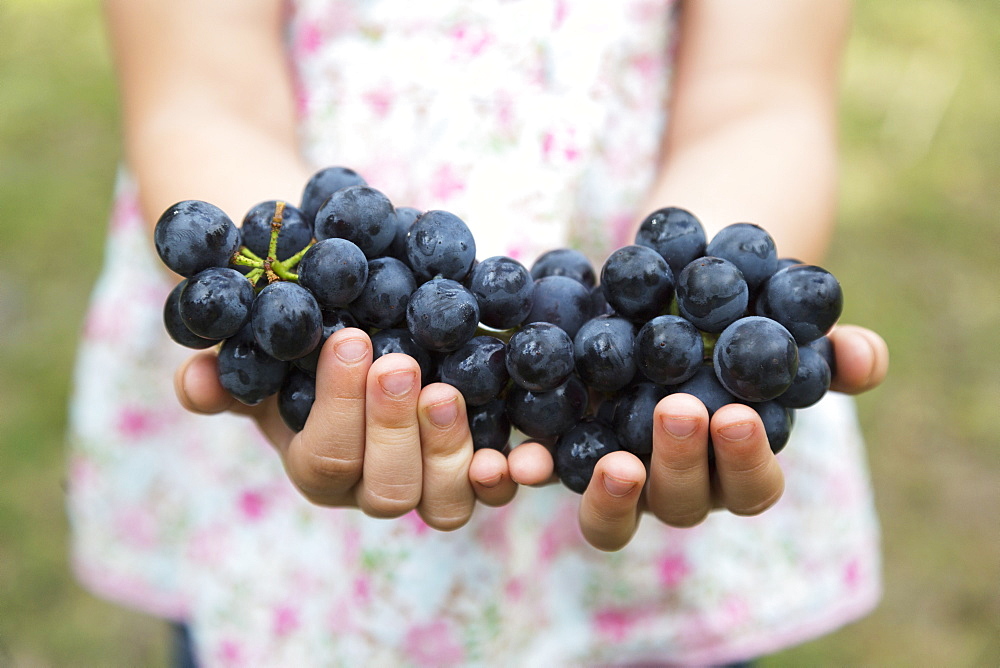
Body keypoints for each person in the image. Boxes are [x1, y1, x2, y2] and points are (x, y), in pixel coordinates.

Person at [69, 0, 889, 664]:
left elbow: (759, 101)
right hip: (302, 527)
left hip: (626, 462)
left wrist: (710, 333)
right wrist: (295, 338)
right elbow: (207, 96)